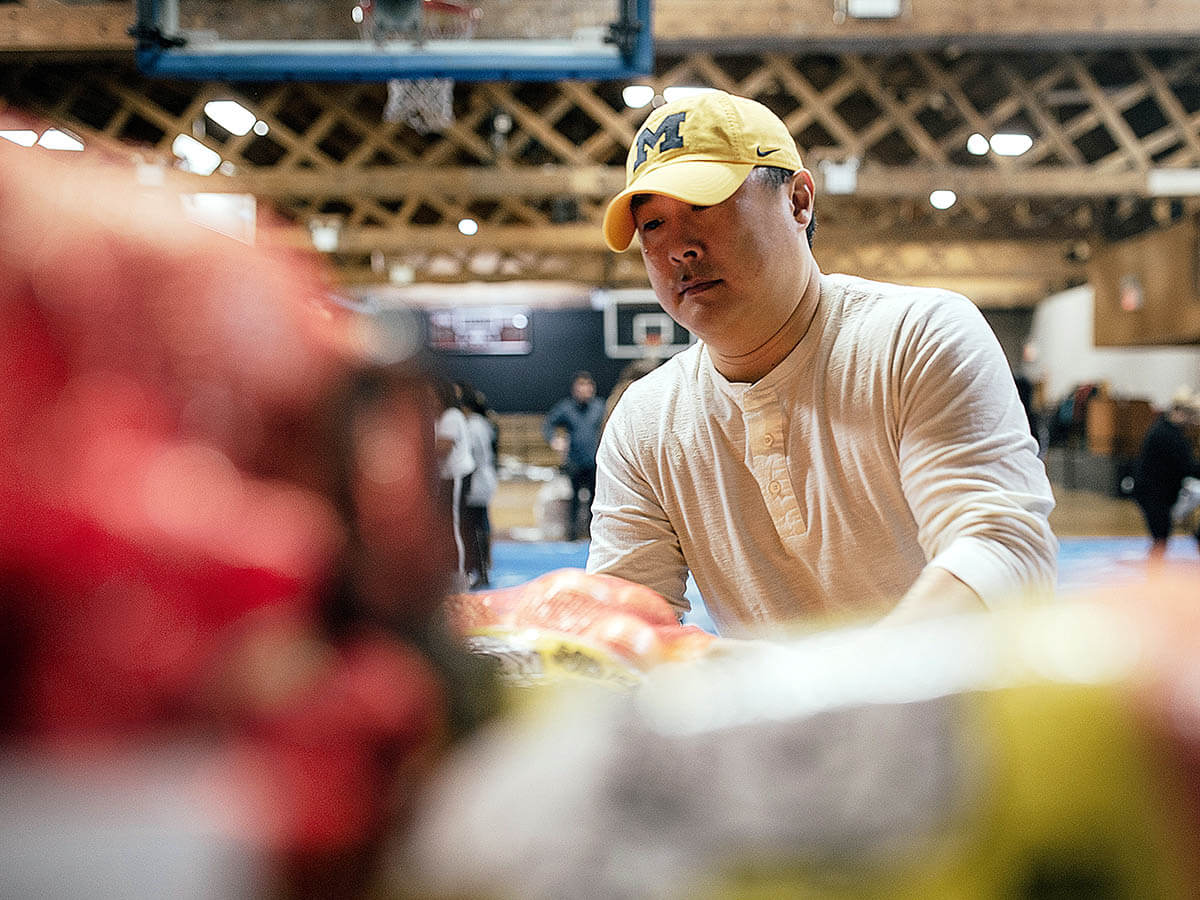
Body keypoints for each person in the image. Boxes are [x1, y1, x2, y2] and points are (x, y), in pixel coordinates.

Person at [586, 90, 1058, 634]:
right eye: (652, 226)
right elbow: (625, 625)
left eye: (704, 205)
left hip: (967, 713)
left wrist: (831, 689)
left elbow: (1001, 550)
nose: (679, 249)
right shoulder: (645, 423)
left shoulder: (916, 337)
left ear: (798, 201)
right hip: (784, 717)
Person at [1132, 387, 1200, 560]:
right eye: (1191, 415)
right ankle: (1154, 577)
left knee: (1161, 537)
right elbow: (1188, 467)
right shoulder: (1168, 435)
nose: (1193, 421)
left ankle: (1155, 575)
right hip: (1153, 494)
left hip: (1157, 492)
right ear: (1180, 412)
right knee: (1161, 538)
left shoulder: (1167, 429)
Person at [542, 371, 605, 542]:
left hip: (595, 461)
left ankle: (594, 536)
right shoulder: (566, 408)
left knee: (596, 501)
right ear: (574, 388)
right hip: (575, 462)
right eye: (581, 385)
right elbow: (548, 425)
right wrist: (554, 439)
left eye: (588, 385)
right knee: (574, 501)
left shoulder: (600, 407)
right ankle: (572, 536)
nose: (584, 389)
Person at [456, 381, 499, 588]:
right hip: (484, 478)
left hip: (476, 481)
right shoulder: (482, 423)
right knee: (481, 525)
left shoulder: (472, 426)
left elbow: (470, 456)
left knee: (475, 528)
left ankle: (480, 570)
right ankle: (483, 568)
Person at [435, 378, 475, 588]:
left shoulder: (451, 416)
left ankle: (459, 576)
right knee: (450, 526)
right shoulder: (441, 417)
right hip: (448, 477)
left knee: (455, 526)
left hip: (456, 476)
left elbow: (442, 448)